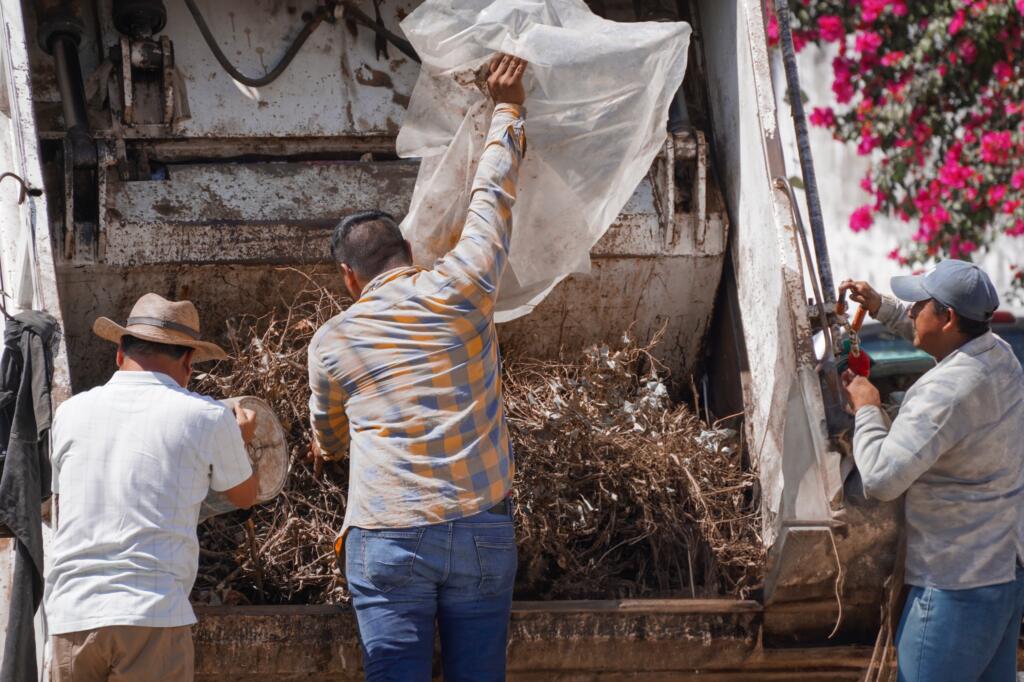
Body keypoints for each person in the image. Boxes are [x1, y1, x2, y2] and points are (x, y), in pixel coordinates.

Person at [307, 54, 527, 681]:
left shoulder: (331, 342)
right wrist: (507, 108)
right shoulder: (462, 286)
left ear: (349, 277)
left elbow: (328, 435)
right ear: (411, 251)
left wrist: (331, 452)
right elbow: (491, 201)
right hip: (481, 529)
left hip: (388, 538)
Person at [45, 293, 259, 681]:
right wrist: (241, 439)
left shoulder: (69, 413)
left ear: (119, 351)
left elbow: (61, 502)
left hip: (71, 614)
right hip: (152, 613)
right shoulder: (207, 416)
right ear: (189, 362)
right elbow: (244, 496)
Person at [839, 259, 1024, 682]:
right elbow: (942, 343)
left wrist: (867, 408)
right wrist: (881, 307)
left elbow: (882, 480)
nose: (909, 310)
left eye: (917, 303)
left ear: (948, 316)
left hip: (952, 590)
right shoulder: (1001, 356)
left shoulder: (944, 391)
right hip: (1002, 581)